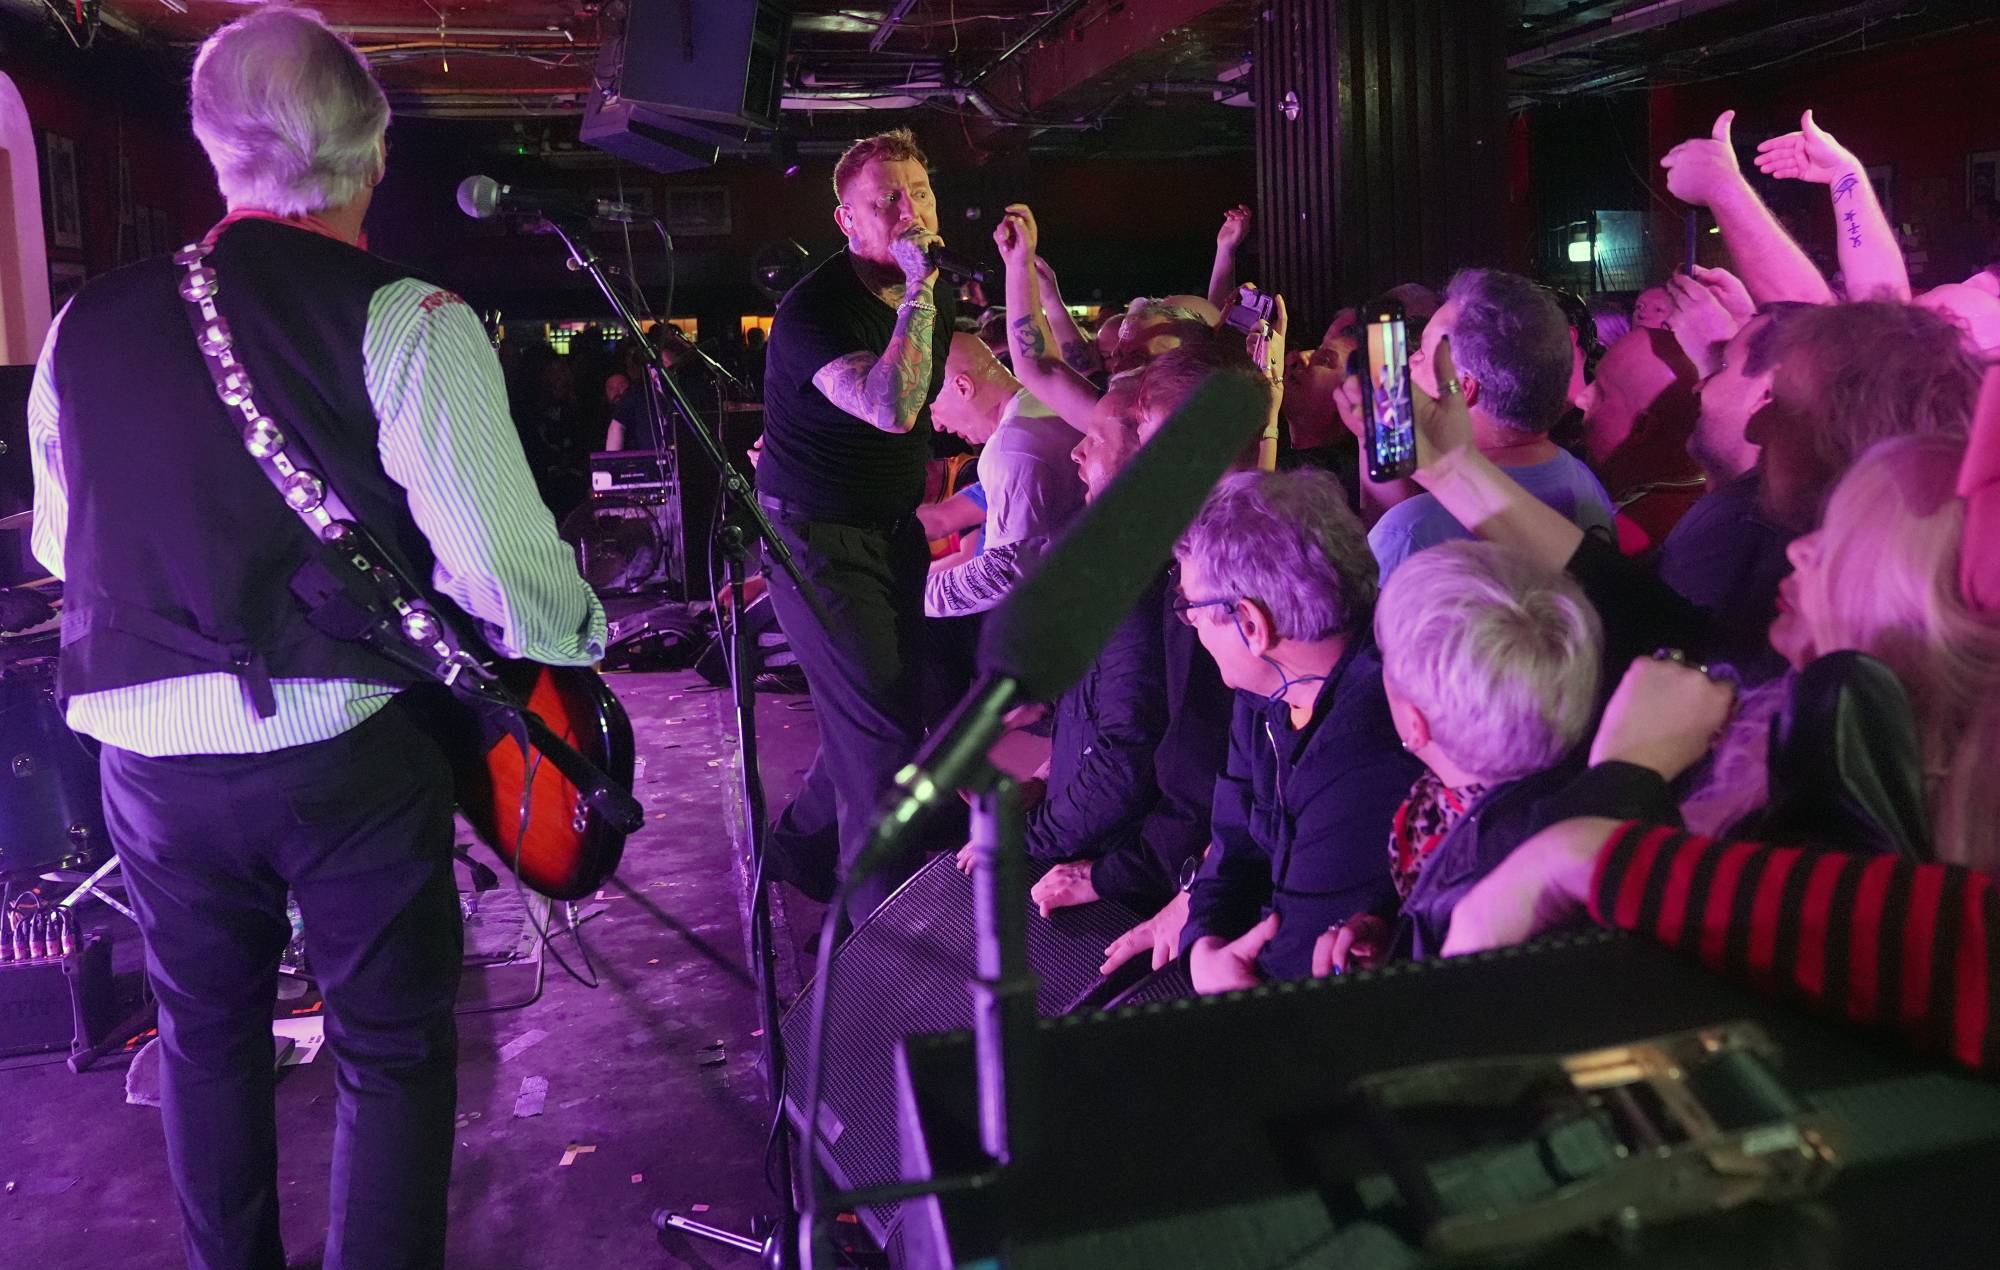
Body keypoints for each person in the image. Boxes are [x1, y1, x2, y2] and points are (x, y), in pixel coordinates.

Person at [26, 10, 605, 1267]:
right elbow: (505, 579)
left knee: (206, 1039)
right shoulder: (409, 318)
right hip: (342, 749)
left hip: (146, 761)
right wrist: (577, 648)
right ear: (376, 156)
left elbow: (64, 551)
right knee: (389, 1048)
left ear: (211, 148)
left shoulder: (84, 326)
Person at [755, 126, 958, 922]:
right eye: (888, 203)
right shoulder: (816, 310)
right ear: (847, 220)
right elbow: (891, 406)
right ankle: (873, 949)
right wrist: (918, 291)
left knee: (885, 712)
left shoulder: (929, 296)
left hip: (888, 528)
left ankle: (798, 849)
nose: (911, 216)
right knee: (879, 745)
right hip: (817, 541)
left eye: (922, 196)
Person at [1171, 469, 1422, 992]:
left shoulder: (1369, 751)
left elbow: (1299, 957)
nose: (1188, 624)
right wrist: (1202, 949)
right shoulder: (1266, 688)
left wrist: (1218, 969)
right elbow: (1231, 846)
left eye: (1192, 609)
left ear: (1250, 623)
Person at [1312, 541, 1604, 972]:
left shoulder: (1486, 881)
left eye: (1386, 665)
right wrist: (1388, 931)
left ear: (1415, 725)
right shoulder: (1552, 787)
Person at [1355, 268, 1615, 580]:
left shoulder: (1411, 532)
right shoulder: (1589, 487)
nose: (1409, 362)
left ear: (1462, 387)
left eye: (1422, 354)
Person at [923, 333, 1083, 617]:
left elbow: (1002, 573)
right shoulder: (1040, 402)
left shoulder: (1011, 448)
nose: (937, 426)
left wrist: (910, 595)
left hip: (1092, 615)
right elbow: (945, 517)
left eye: (932, 409)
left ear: (962, 386)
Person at [1573, 327, 1706, 555]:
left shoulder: (1628, 537)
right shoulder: (1699, 500)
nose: (1581, 399)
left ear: (1641, 427)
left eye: (1602, 392)